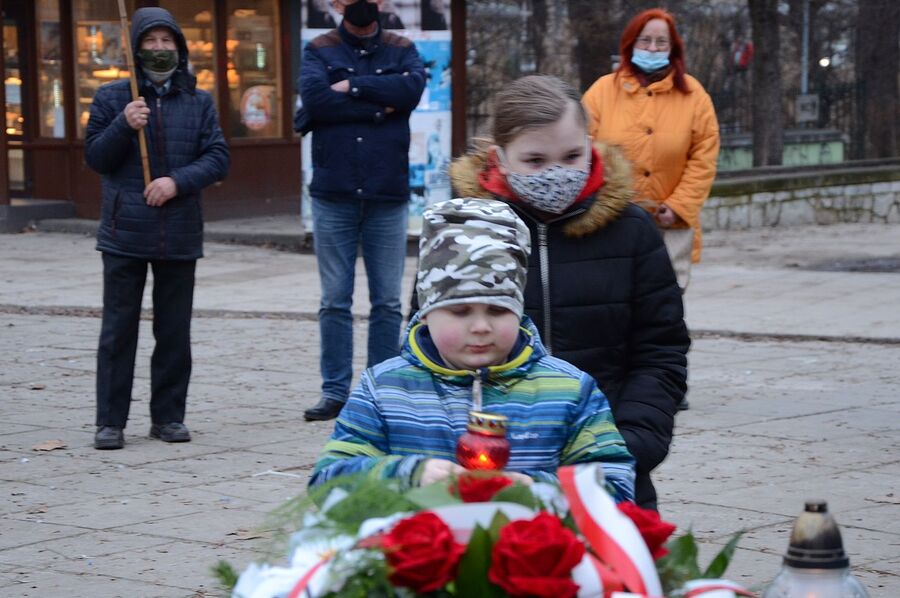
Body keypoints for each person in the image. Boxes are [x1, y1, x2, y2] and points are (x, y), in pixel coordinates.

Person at [447, 75, 688, 511]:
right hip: (492, 475)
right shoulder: (464, 231)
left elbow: (660, 349)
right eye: (535, 160)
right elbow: (424, 347)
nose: (555, 173)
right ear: (500, 158)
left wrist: (630, 443)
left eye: (572, 155)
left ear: (590, 143)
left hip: (610, 473)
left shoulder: (632, 231)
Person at [310, 198, 636, 503]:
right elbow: (328, 484)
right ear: (426, 314)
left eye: (497, 311)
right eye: (460, 311)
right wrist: (409, 475)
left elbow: (616, 484)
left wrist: (535, 490)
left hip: (533, 560)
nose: (481, 326)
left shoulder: (569, 391)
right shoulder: (384, 389)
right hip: (413, 559)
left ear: (520, 311)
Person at [86, 7, 230, 450]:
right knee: (118, 331)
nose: (160, 49)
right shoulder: (114, 98)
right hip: (125, 232)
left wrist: (176, 182)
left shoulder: (198, 100)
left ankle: (168, 417)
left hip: (179, 231)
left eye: (168, 42)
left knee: (173, 331)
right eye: (152, 41)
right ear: (137, 48)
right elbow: (96, 158)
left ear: (180, 48)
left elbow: (218, 157)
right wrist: (123, 126)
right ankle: (110, 421)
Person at [297, 0, 426, 422]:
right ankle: (334, 392)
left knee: (387, 302)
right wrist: (380, 103)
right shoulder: (319, 47)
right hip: (333, 194)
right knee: (335, 300)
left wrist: (350, 87)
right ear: (337, 5)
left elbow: (411, 91)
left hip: (386, 193)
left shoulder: (402, 46)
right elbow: (315, 101)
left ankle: (380, 391)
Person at [581, 8, 720, 295]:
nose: (653, 48)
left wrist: (680, 206)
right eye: (645, 41)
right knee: (614, 299)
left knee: (663, 303)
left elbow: (704, 157)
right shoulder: (601, 92)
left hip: (669, 223)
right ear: (631, 44)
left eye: (661, 42)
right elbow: (582, 149)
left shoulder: (694, 96)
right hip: (613, 220)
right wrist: (601, 202)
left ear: (673, 48)